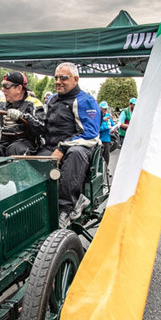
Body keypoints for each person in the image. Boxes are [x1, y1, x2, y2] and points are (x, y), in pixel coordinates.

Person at [37, 62, 101, 227]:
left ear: (75, 79)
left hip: (79, 149)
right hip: (52, 147)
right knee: (30, 157)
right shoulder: (51, 99)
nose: (58, 81)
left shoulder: (86, 101)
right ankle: (38, 206)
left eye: (63, 78)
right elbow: (43, 125)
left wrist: (62, 148)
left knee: (75, 153)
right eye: (56, 78)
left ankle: (66, 209)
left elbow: (91, 135)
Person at [0, 71, 44, 156]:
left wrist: (23, 116)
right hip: (0, 143)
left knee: (16, 150)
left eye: (6, 86)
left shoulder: (33, 103)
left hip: (24, 143)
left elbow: (40, 127)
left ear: (19, 88)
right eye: (2, 85)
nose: (2, 89)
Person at [98, 101, 113, 171]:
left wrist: (113, 129)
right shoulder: (98, 117)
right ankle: (99, 170)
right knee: (99, 156)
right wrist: (107, 127)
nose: (106, 110)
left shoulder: (108, 116)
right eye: (104, 109)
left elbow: (112, 125)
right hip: (100, 140)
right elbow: (98, 128)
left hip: (107, 139)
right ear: (100, 109)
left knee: (106, 156)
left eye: (106, 109)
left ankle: (106, 169)